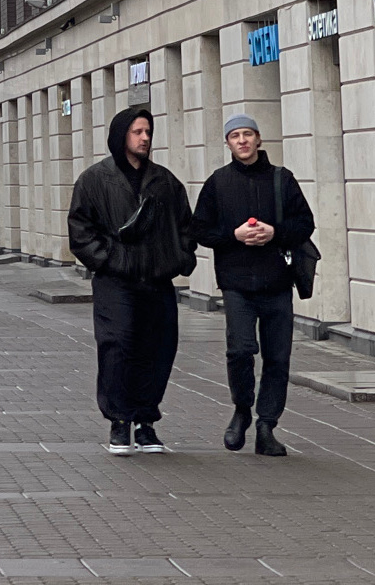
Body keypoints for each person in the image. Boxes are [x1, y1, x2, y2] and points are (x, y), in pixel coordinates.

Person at [67, 105, 197, 455]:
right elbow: (80, 230)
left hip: (156, 280)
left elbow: (186, 227)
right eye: (137, 132)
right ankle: (119, 421)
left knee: (158, 349)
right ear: (121, 135)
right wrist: (109, 260)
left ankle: (146, 422)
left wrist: (178, 258)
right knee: (118, 346)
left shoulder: (165, 181)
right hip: (116, 281)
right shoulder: (95, 180)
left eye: (148, 132)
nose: (144, 138)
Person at [193, 112, 315, 458]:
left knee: (277, 357)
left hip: (277, 281)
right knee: (240, 350)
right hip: (236, 283)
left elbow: (305, 223)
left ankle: (267, 426)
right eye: (235, 136)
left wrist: (275, 232)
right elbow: (200, 229)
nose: (242, 141)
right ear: (228, 143)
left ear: (259, 139)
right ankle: (242, 409)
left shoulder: (282, 179)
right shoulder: (218, 182)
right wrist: (233, 235)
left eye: (248, 134)